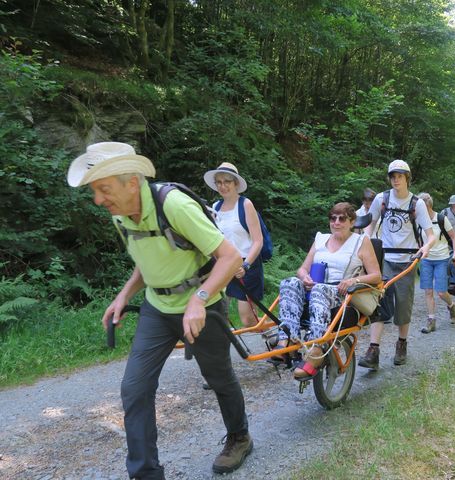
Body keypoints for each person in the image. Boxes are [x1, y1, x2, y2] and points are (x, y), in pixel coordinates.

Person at [67, 142, 252, 478]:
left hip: (203, 308)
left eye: (104, 189)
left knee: (219, 377)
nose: (98, 199)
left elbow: (230, 257)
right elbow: (146, 261)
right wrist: (124, 295)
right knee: (134, 388)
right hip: (157, 308)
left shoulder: (174, 205)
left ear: (132, 183)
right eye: (95, 191)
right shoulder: (120, 215)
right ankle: (146, 473)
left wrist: (199, 298)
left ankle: (240, 437)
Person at [274, 202, 381, 379]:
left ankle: (317, 349)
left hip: (341, 291)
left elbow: (376, 276)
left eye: (342, 218)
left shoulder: (361, 241)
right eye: (333, 218)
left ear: (352, 222)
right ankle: (285, 340)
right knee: (289, 282)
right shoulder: (321, 239)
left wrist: (353, 280)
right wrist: (304, 277)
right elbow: (302, 269)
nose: (336, 222)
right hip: (315, 287)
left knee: (319, 289)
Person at [358, 159, 435, 370]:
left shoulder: (417, 203)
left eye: (400, 176)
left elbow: (430, 235)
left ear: (407, 178)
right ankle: (373, 350)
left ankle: (402, 344)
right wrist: (365, 247)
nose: (396, 180)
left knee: (403, 305)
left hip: (408, 261)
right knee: (378, 303)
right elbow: (369, 225)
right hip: (383, 260)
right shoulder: (381, 199)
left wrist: (425, 249)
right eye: (393, 176)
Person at [204, 162, 264, 328]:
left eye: (227, 181)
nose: (223, 186)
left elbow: (258, 241)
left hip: (246, 265)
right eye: (219, 182)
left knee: (248, 320)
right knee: (217, 313)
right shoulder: (215, 207)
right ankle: (223, 350)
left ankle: (276, 339)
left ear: (236, 183)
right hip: (223, 264)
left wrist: (245, 265)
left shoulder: (245, 205)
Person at [417, 192, 455, 333]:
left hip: (442, 258)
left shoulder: (441, 218)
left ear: (428, 206)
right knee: (428, 291)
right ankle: (431, 320)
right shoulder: (419, 221)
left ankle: (452, 305)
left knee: (441, 292)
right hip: (426, 259)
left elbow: (453, 237)